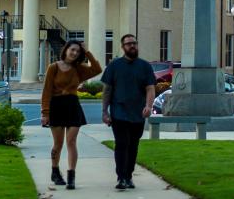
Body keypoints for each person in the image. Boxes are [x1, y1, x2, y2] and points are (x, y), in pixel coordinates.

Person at [41, 40, 102, 190]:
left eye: (77, 52)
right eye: (72, 50)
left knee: (71, 141)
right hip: (56, 106)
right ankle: (55, 171)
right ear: (66, 50)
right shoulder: (53, 67)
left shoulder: (79, 69)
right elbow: (47, 90)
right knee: (58, 143)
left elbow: (97, 69)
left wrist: (87, 52)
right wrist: (45, 113)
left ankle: (71, 176)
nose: (74, 53)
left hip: (73, 105)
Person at [101, 33, 156, 190]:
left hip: (138, 113)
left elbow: (150, 88)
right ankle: (121, 177)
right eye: (128, 44)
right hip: (119, 112)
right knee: (121, 144)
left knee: (133, 145)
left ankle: (129, 176)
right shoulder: (114, 66)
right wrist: (105, 112)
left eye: (134, 43)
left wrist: (148, 106)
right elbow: (107, 90)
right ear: (123, 47)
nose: (132, 46)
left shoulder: (145, 66)